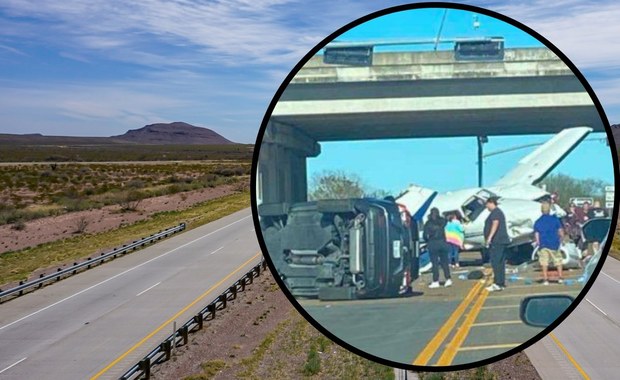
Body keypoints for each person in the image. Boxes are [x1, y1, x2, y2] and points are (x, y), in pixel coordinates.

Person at [483, 196, 510, 292]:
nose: (486, 207)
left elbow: (495, 223)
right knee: (500, 262)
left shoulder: (496, 213)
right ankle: (500, 282)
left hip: (497, 241)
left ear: (491, 203)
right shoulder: (498, 212)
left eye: (487, 204)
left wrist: (489, 237)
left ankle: (497, 283)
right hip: (500, 241)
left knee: (496, 262)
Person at [534, 202, 565, 285]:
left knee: (544, 262)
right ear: (549, 210)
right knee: (558, 261)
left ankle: (545, 279)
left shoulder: (538, 221)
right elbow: (560, 231)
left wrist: (538, 242)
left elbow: (537, 234)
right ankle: (560, 277)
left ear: (541, 210)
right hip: (554, 243)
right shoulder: (555, 219)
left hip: (543, 244)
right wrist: (561, 239)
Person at [423, 208, 452, 288]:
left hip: (433, 244)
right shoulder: (443, 221)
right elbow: (447, 223)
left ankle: (436, 281)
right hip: (443, 242)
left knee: (435, 264)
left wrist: (428, 240)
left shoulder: (428, 223)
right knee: (445, 262)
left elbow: (425, 236)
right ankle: (448, 279)